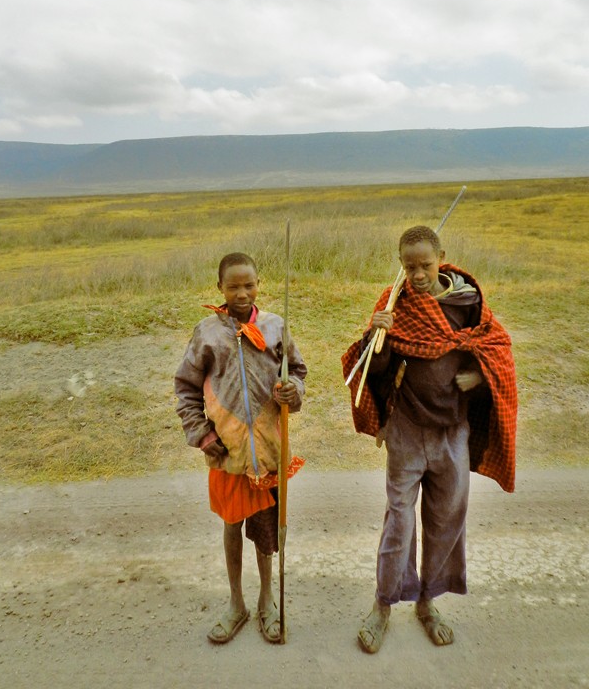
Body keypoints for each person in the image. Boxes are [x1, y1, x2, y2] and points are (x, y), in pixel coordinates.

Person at [341, 225, 518, 654]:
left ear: (442, 256)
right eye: (409, 265)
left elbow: (497, 351)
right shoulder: (394, 302)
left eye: (424, 264)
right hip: (406, 430)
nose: (417, 274)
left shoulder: (468, 303)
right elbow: (375, 370)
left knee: (445, 521)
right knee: (399, 522)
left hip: (452, 432)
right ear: (400, 263)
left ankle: (427, 603)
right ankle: (382, 606)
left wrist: (478, 377)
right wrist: (376, 336)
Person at [175, 252, 306, 645]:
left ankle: (268, 601)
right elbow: (185, 388)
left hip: (268, 449)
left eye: (249, 284)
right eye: (233, 286)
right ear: (220, 288)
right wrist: (203, 435)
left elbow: (297, 371)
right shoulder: (207, 333)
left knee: (266, 530)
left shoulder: (275, 325)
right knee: (232, 526)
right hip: (227, 451)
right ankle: (237, 603)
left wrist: (291, 391)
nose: (242, 292)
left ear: (259, 283)